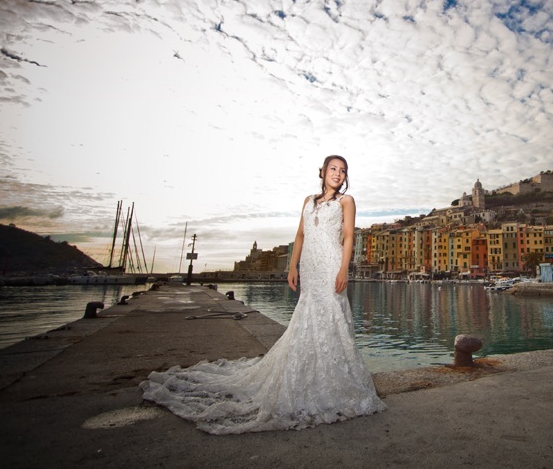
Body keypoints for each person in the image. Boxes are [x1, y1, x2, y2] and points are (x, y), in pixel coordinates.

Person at [140, 155, 386, 434]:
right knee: (307, 318)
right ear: (323, 171)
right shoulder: (308, 201)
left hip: (330, 264)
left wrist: (344, 270)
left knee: (331, 316)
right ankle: (308, 377)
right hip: (310, 265)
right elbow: (301, 236)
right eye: (333, 169)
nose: (338, 174)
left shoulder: (346, 201)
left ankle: (333, 381)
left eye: (343, 171)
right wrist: (292, 266)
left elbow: (349, 237)